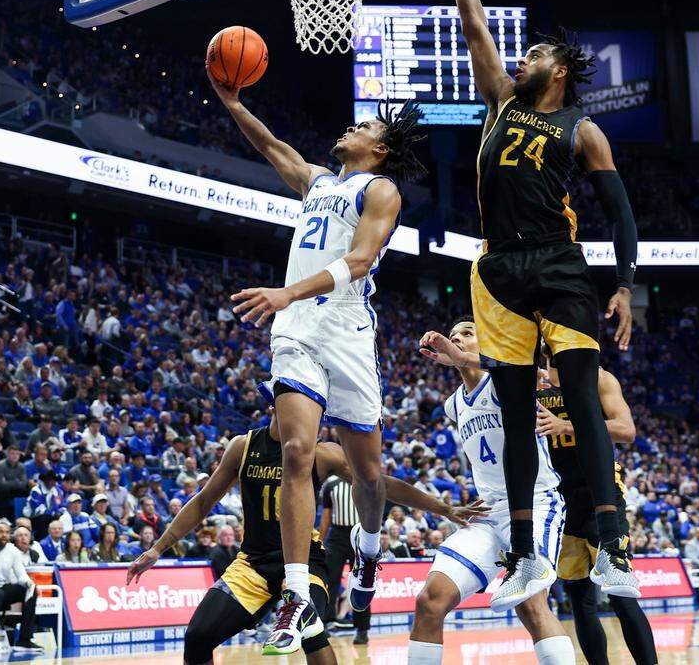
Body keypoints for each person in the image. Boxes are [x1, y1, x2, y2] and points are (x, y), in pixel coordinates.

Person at [439, 0, 639, 608]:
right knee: (521, 408)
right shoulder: (498, 100)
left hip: (559, 261)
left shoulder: (580, 128)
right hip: (497, 271)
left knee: (582, 396)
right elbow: (475, 29)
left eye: (535, 57)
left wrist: (624, 285)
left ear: (559, 72)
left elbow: (618, 211)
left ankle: (614, 549)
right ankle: (525, 555)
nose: (521, 60)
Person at [213, 50, 429, 654]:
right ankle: (296, 593)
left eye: (363, 128)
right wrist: (233, 103)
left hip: (347, 330)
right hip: (296, 331)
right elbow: (273, 147)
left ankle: (367, 550)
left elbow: (360, 261)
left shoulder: (380, 189)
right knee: (297, 448)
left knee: (367, 473)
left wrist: (287, 290)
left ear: (379, 150)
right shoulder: (319, 181)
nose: (350, 128)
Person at [126, 415, 483, 665]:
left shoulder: (322, 452)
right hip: (252, 562)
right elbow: (203, 501)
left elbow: (380, 483)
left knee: (311, 630)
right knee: (197, 638)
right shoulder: (243, 446)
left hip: (305, 560)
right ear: (274, 407)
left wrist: (442, 507)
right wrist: (159, 547)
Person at [410, 319, 573, 665]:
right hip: (488, 511)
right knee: (430, 601)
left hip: (534, 503)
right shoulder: (454, 405)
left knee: (531, 603)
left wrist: (461, 355)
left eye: (467, 333)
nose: (457, 339)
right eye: (454, 336)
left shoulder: (505, 382)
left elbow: (516, 366)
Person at [535, 354, 657, 664]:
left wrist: (565, 425)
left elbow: (626, 429)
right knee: (579, 598)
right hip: (559, 498)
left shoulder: (598, 377)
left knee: (620, 594)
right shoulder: (531, 381)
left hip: (599, 493)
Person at [0, 521, 41, 655]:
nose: (4, 535)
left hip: (0, 589)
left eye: (7, 532)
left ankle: (24, 640)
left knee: (30, 590)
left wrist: (29, 583)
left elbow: (21, 574)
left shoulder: (13, 550)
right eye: (0, 532)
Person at [318, 475, 370, 643]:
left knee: (362, 583)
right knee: (329, 581)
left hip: (360, 535)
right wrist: (319, 543)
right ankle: (325, 624)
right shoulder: (331, 484)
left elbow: (372, 513)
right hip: (337, 536)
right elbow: (326, 517)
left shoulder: (365, 481)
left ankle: (362, 629)